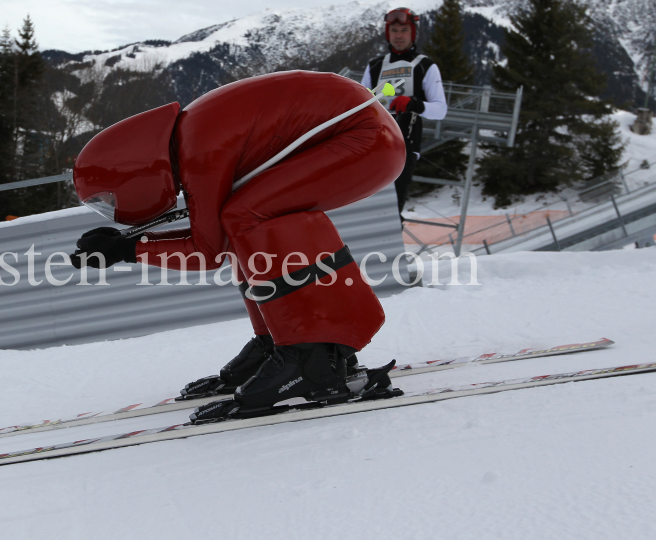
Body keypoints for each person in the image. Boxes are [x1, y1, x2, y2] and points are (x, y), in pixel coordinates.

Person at [70, 70, 405, 416]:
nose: (113, 208)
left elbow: (208, 252)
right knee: (240, 220)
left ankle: (310, 357)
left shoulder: (199, 152)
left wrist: (128, 249)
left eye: (108, 200)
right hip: (368, 133)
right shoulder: (191, 137)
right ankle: (279, 341)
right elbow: (216, 239)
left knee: (244, 215)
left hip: (369, 138)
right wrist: (131, 244)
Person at [362, 7, 448, 216]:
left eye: (403, 30)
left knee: (390, 209)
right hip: (372, 144)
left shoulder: (425, 66)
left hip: (404, 144)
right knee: (363, 205)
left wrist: (414, 104)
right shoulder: (375, 66)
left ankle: (387, 247)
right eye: (394, 31)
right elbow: (360, 101)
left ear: (412, 33)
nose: (398, 36)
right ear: (387, 34)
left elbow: (441, 110)